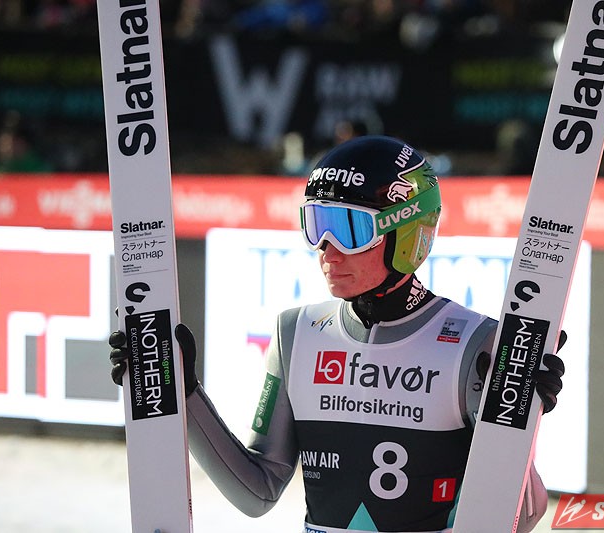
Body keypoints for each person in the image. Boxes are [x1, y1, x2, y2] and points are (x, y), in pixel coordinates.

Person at [109, 135, 565, 533]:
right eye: (317, 225)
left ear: (405, 232)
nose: (327, 249)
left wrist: (515, 415)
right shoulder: (296, 334)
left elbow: (526, 511)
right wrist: (181, 393)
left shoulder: (474, 343)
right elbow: (257, 492)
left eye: (349, 229)